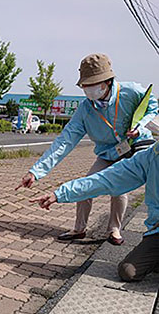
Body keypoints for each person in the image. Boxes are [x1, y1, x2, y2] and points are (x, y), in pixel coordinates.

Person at [16, 53, 158, 245]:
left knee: (119, 188)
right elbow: (64, 141)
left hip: (135, 149)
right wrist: (36, 172)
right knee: (87, 183)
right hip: (107, 153)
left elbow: (153, 108)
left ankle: (114, 229)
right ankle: (79, 228)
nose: (88, 89)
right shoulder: (85, 109)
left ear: (107, 82)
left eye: (93, 84)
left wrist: (140, 126)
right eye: (85, 85)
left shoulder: (131, 91)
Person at [29, 130, 159, 282]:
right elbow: (106, 178)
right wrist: (59, 194)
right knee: (128, 271)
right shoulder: (152, 156)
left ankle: (115, 230)